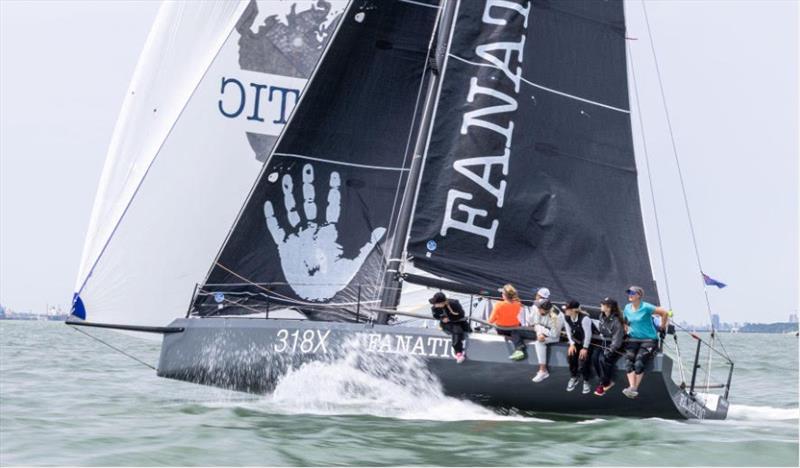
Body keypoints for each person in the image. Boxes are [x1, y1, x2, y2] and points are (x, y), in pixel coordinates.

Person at [621, 286, 669, 398]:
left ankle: (634, 389)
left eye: (632, 293)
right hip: (633, 339)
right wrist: (625, 329)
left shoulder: (646, 307)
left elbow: (664, 313)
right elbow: (624, 321)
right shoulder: (627, 307)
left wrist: (662, 327)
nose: (630, 295)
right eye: (629, 292)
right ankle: (632, 387)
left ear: (639, 295)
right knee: (628, 362)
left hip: (649, 339)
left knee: (638, 362)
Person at [525, 297, 565, 382]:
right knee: (538, 337)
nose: (537, 309)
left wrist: (540, 330)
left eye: (540, 308)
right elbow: (532, 323)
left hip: (557, 335)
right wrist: (539, 333)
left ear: (546, 310)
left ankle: (543, 371)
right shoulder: (537, 308)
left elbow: (555, 334)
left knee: (539, 343)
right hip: (543, 331)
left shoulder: (556, 316)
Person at [591, 297, 625, 396]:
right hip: (604, 342)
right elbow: (601, 330)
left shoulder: (617, 321)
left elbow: (617, 340)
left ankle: (605, 383)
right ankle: (602, 380)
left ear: (609, 308)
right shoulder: (601, 316)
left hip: (615, 345)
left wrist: (610, 350)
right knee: (594, 358)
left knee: (604, 359)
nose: (600, 305)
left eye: (603, 304)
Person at [429, 292, 471, 363]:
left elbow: (461, 314)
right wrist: (442, 319)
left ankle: (471, 347)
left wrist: (450, 318)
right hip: (447, 324)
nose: (435, 305)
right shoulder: (435, 308)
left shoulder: (454, 304)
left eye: (436, 303)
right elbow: (436, 316)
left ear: (442, 302)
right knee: (457, 330)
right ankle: (458, 353)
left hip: (459, 320)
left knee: (467, 329)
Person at [562, 300, 594, 394]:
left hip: (587, 343)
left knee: (583, 360)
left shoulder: (585, 319)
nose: (565, 311)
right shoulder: (567, 317)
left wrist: (585, 348)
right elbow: (568, 331)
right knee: (571, 356)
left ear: (574, 310)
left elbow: (588, 335)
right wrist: (571, 344)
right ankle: (574, 377)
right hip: (576, 342)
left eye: (567, 309)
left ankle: (586, 381)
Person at [488, 284, 524, 360]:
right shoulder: (518, 304)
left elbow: (491, 320)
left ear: (504, 295)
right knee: (517, 329)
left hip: (502, 329)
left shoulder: (499, 305)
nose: (501, 294)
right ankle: (519, 350)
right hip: (514, 329)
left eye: (502, 293)